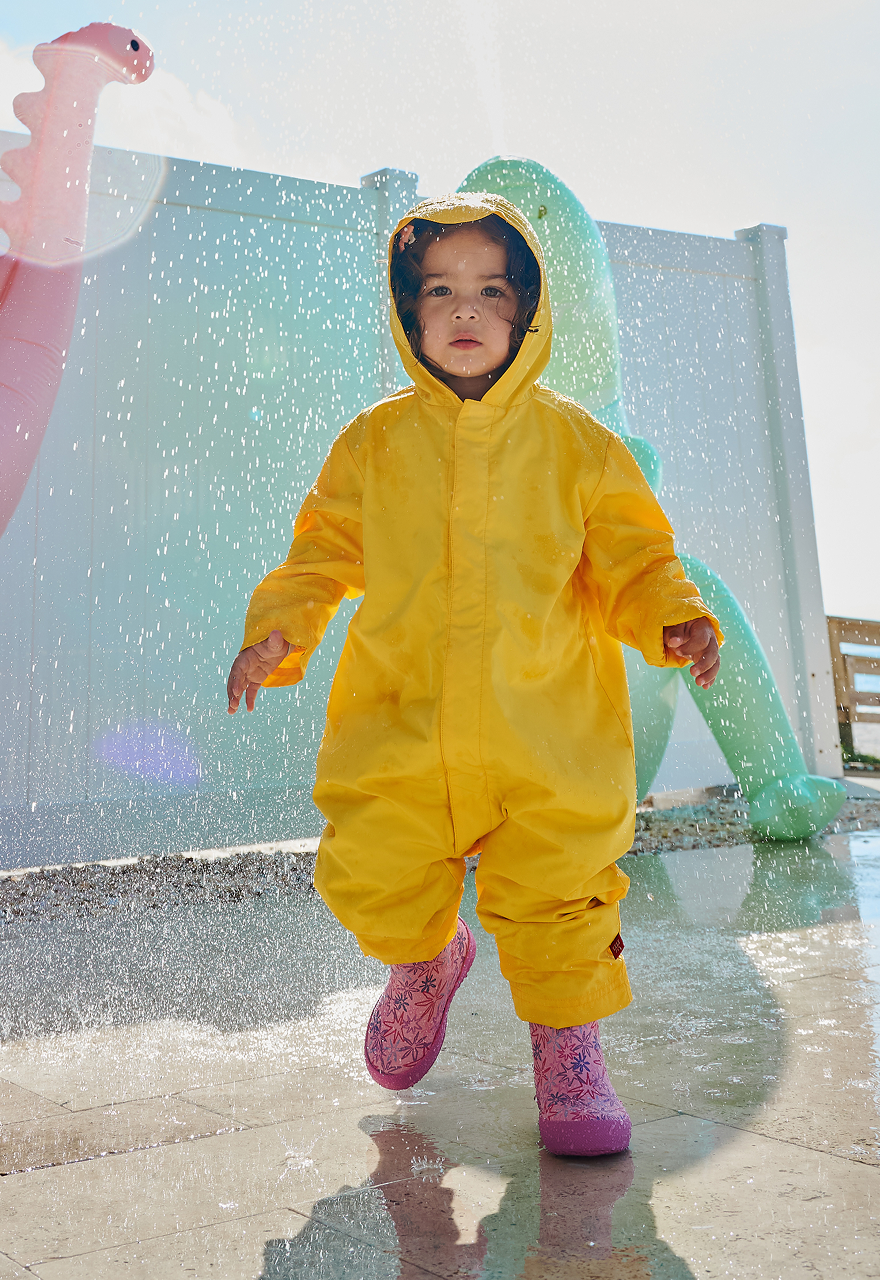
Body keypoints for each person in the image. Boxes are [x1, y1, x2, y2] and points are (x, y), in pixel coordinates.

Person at [226, 193, 721, 1158]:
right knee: (374, 863)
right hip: (402, 724)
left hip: (548, 733)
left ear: (528, 311)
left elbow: (635, 559)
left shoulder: (579, 446)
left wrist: (675, 616)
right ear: (407, 310)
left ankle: (569, 1052)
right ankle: (425, 962)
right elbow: (320, 555)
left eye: (492, 291)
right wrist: (278, 633)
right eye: (440, 290)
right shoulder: (374, 443)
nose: (465, 309)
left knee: (562, 890)